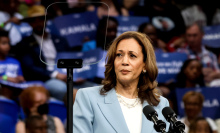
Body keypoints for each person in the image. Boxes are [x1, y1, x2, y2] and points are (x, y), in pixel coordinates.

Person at [73, 31, 170, 132]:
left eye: (132, 56)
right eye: (119, 55)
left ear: (145, 65)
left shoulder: (161, 105)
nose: (124, 62)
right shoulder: (88, 97)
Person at [15, 5, 70, 100]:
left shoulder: (60, 39)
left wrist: (76, 73)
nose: (38, 23)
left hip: (67, 74)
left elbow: (70, 57)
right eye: (33, 20)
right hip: (46, 78)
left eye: (41, 19)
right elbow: (30, 67)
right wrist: (55, 74)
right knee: (62, 89)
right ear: (29, 24)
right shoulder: (25, 44)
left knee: (92, 87)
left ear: (46, 20)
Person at [0, 29, 25, 100]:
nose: (8, 46)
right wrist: (6, 78)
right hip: (3, 88)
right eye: (4, 43)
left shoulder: (15, 61)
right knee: (5, 89)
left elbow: (20, 77)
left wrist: (20, 78)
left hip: (16, 88)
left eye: (8, 43)